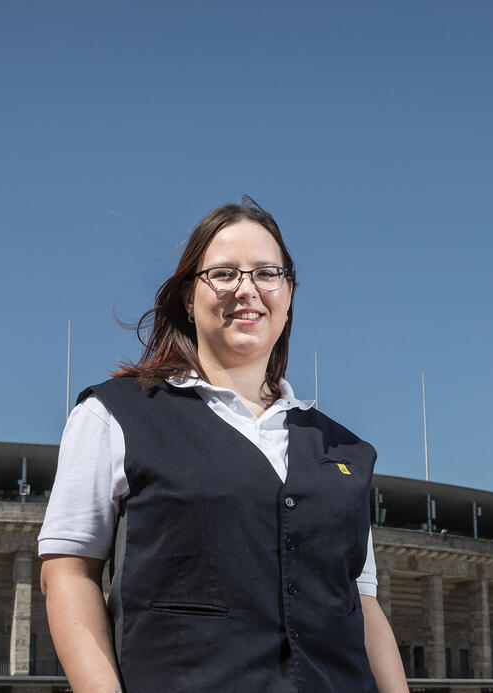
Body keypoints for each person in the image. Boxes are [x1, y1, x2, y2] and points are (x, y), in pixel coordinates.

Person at [38, 198, 408, 693]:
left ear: (289, 292)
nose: (247, 290)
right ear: (188, 297)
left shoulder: (346, 450)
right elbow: (67, 572)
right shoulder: (113, 414)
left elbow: (360, 603)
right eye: (224, 274)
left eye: (266, 273)